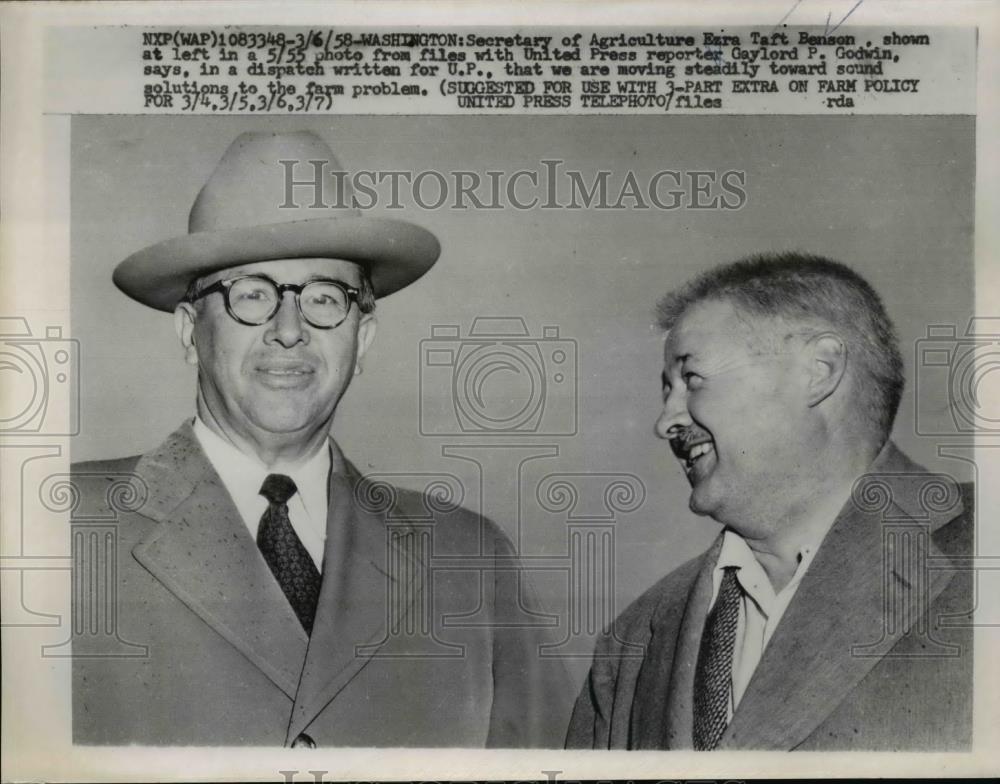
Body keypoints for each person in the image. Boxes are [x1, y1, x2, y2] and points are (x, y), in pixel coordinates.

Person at [71, 130, 572, 747]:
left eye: (324, 299)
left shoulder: (470, 558)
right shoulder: (58, 527)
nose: (289, 330)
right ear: (188, 330)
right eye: (250, 294)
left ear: (361, 340)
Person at [566, 253, 973, 751]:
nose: (665, 421)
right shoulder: (633, 642)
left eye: (691, 379)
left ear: (818, 371)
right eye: (666, 391)